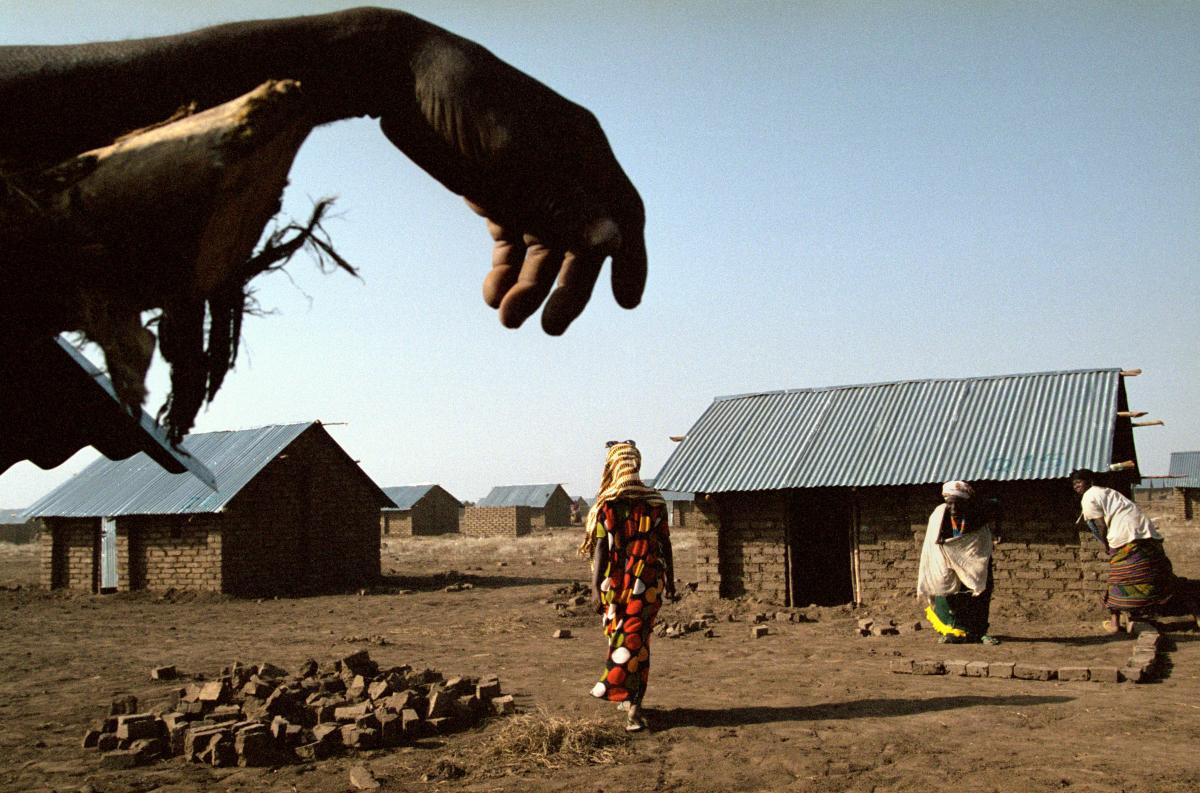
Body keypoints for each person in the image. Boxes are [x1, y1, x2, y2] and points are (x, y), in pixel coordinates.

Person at [579, 440, 674, 732]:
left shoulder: (608, 505)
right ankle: (628, 695)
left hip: (624, 583)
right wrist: (669, 580)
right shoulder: (649, 502)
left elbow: (600, 550)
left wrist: (595, 588)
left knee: (631, 641)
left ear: (612, 466)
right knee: (629, 640)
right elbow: (664, 544)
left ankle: (632, 706)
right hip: (638, 583)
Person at [1071, 468, 1179, 633]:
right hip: (1145, 531)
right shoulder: (1107, 492)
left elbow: (1100, 525)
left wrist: (1106, 544)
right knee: (1151, 572)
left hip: (1124, 536)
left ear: (1089, 482)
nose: (1077, 486)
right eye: (1074, 484)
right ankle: (1141, 613)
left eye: (1079, 482)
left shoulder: (1088, 497)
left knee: (1119, 580)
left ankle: (1115, 624)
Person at [917, 481, 1000, 645]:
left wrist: (999, 531)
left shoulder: (978, 514)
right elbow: (936, 540)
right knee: (948, 593)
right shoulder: (939, 515)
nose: (954, 508)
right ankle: (950, 630)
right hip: (948, 560)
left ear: (967, 502)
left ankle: (980, 632)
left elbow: (997, 507)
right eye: (950, 503)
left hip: (976, 560)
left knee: (979, 593)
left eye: (958, 503)